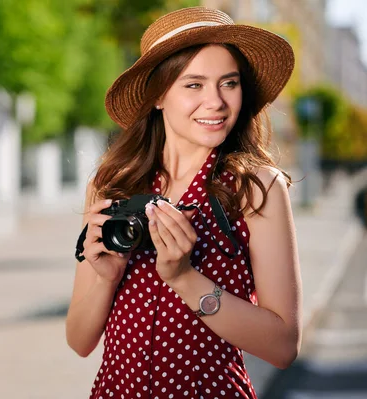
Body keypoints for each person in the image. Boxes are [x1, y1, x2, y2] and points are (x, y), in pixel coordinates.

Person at [66, 7, 302, 399]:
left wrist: (184, 278)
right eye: (193, 85)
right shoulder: (113, 186)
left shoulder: (256, 187)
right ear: (158, 96)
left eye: (229, 83)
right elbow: (79, 340)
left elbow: (282, 347)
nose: (216, 102)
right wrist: (107, 278)